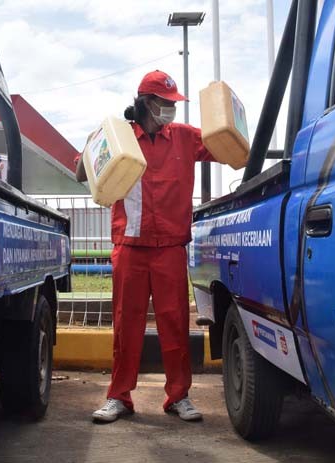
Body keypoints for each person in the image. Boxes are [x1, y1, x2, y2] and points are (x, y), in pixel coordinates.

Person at [75, 70, 221, 423]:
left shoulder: (185, 138)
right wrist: (94, 146)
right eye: (166, 104)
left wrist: (233, 123)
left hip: (170, 246)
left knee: (175, 324)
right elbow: (81, 173)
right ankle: (119, 397)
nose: (171, 110)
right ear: (145, 104)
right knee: (127, 325)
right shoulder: (120, 137)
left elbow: (225, 145)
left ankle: (178, 397)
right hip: (130, 246)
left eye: (174, 104)